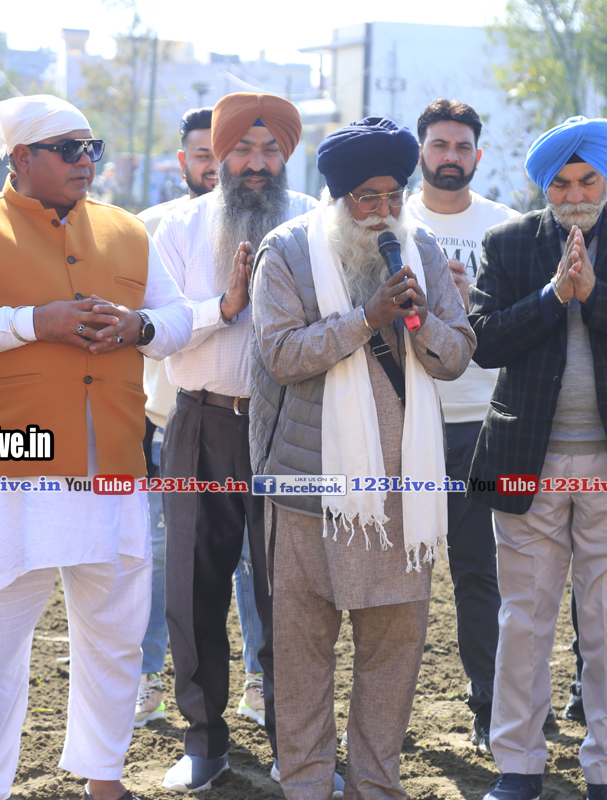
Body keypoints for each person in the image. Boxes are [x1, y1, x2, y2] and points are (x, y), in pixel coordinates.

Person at [0, 94, 191, 800]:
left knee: (116, 636)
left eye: (91, 147)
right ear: (21, 157)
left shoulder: (128, 230)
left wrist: (137, 327)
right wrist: (35, 322)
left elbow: (177, 318)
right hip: (9, 466)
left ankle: (105, 777)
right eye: (68, 149)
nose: (85, 161)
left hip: (115, 465)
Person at [250, 116, 475, 800]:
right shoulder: (286, 251)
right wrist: (367, 318)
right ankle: (307, 785)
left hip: (405, 492)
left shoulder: (420, 248)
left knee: (393, 653)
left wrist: (419, 323)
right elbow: (281, 356)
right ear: (337, 195)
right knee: (302, 653)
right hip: (308, 490)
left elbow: (456, 355)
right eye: (366, 197)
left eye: (393, 195)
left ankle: (376, 785)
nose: (383, 210)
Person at [469, 115, 607, 800]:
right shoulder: (508, 243)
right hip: (525, 463)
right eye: (560, 184)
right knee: (524, 620)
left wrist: (595, 296)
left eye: (586, 180)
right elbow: (484, 341)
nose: (574, 195)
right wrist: (553, 296)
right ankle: (517, 766)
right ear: (545, 188)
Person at [154, 92, 316, 793]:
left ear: (287, 155)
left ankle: (295, 747)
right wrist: (223, 308)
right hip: (202, 422)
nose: (256, 163)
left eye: (269, 149)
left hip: (294, 429)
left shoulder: (315, 222)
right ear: (218, 156)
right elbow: (155, 332)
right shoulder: (177, 228)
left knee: (293, 593)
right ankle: (204, 743)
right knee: (193, 589)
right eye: (242, 150)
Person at [405, 97, 518, 751]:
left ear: (479, 154)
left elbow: (527, 324)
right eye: (440, 144)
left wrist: (473, 299)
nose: (451, 157)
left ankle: (490, 707)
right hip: (405, 419)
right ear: (420, 150)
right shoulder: (391, 221)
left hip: (482, 421)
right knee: (396, 575)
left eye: (463, 146)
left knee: (479, 572)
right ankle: (385, 712)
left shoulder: (506, 228)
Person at [132, 106, 234, 731]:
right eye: (203, 155)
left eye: (224, 154)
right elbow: (141, 332)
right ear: (184, 161)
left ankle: (258, 684)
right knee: (163, 556)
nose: (215, 166)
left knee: (252, 565)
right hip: (169, 422)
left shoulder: (278, 222)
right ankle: (147, 679)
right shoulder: (151, 228)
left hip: (252, 424)